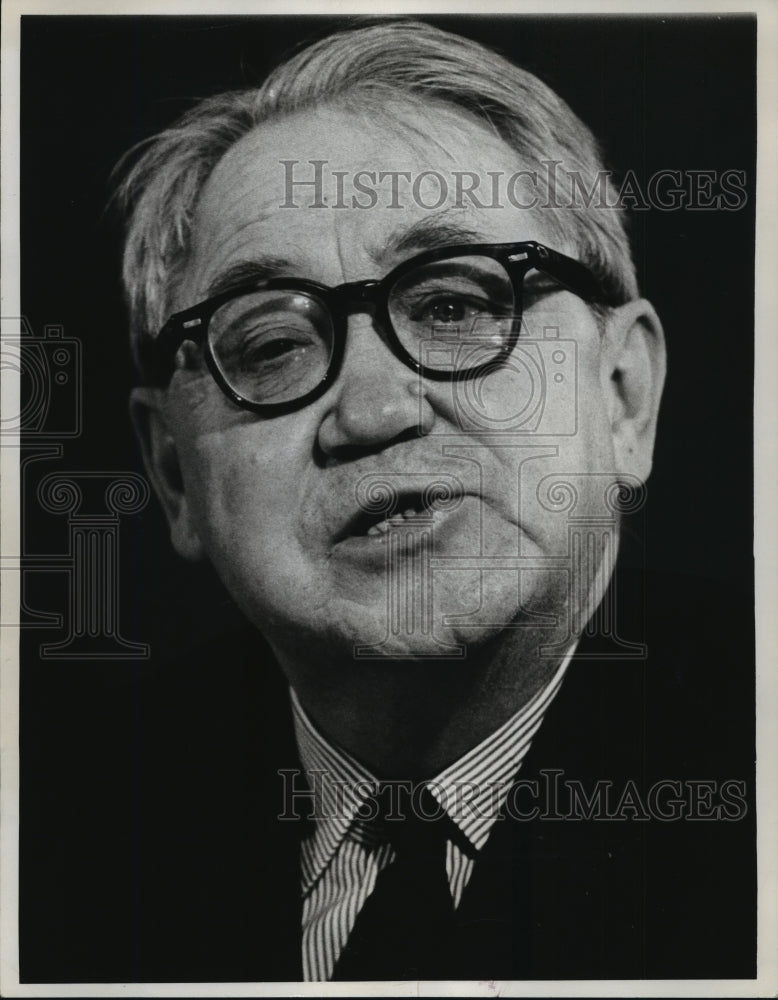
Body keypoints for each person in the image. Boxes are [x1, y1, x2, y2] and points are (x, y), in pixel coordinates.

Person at [19, 19, 755, 984]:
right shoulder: (55, 841)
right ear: (172, 475)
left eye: (454, 304)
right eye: (271, 345)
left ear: (623, 397)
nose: (369, 411)